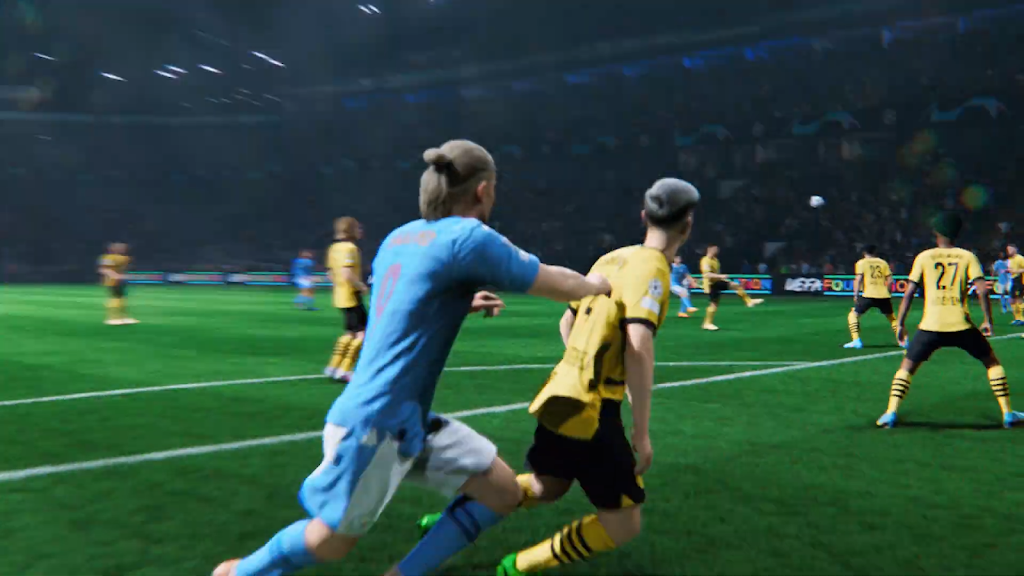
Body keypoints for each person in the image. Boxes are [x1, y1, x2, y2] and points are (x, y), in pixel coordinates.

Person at [212, 139, 611, 576]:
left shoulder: (399, 237)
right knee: (331, 540)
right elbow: (556, 282)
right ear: (482, 190)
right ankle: (241, 572)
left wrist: (458, 302)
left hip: (407, 419)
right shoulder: (469, 237)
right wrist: (600, 285)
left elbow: (404, 301)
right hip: (377, 423)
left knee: (501, 491)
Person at [410, 178, 700, 576]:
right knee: (623, 524)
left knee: (548, 485)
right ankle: (519, 565)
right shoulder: (655, 270)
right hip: (595, 410)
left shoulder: (610, 259)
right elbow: (638, 345)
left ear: (644, 216)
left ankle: (449, 521)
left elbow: (567, 322)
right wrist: (641, 431)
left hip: (560, 394)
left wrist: (579, 367)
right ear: (687, 224)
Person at [877, 213, 1023, 429]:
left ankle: (891, 412)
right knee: (991, 362)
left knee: (907, 367)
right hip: (960, 324)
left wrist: (900, 323)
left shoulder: (924, 257)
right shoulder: (967, 257)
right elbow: (983, 291)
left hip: (931, 325)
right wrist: (987, 320)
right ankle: (1007, 413)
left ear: (936, 232)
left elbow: (908, 292)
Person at [323, 217, 368, 382]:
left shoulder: (333, 248)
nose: (361, 231)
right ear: (351, 230)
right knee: (362, 334)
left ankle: (333, 366)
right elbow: (347, 272)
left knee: (350, 331)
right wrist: (361, 287)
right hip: (351, 295)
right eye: (358, 228)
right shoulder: (350, 248)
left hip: (339, 295)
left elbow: (330, 274)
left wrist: (339, 286)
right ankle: (345, 369)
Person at [844, 245, 903, 349]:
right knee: (892, 318)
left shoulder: (861, 263)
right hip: (883, 295)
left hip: (868, 294)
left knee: (853, 315)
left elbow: (858, 279)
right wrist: (889, 293)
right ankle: (903, 341)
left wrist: (856, 294)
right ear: (875, 252)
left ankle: (856, 340)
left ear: (864, 252)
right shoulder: (883, 262)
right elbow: (890, 280)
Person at [699, 245, 763, 331]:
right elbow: (707, 274)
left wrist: (722, 278)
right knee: (714, 304)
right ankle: (707, 323)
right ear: (709, 250)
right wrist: (720, 276)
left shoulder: (715, 260)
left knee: (735, 285)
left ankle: (748, 301)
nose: (717, 251)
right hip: (711, 285)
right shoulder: (705, 260)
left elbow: (716, 273)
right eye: (715, 249)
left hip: (717, 282)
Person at [97, 242, 138, 326]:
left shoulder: (125, 258)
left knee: (122, 299)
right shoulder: (108, 258)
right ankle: (112, 318)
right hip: (112, 281)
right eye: (120, 248)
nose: (123, 249)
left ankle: (123, 317)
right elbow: (103, 269)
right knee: (115, 299)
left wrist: (123, 276)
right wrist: (114, 275)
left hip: (120, 281)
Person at [1006, 244, 1024, 325]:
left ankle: (1021, 318)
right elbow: (1011, 269)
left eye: (1010, 249)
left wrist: (1016, 271)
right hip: (1013, 280)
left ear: (1015, 249)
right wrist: (1008, 270)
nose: (1009, 251)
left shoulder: (1020, 258)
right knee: (1012, 300)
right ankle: (1017, 318)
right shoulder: (1010, 259)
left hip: (1020, 280)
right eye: (1008, 250)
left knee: (1019, 299)